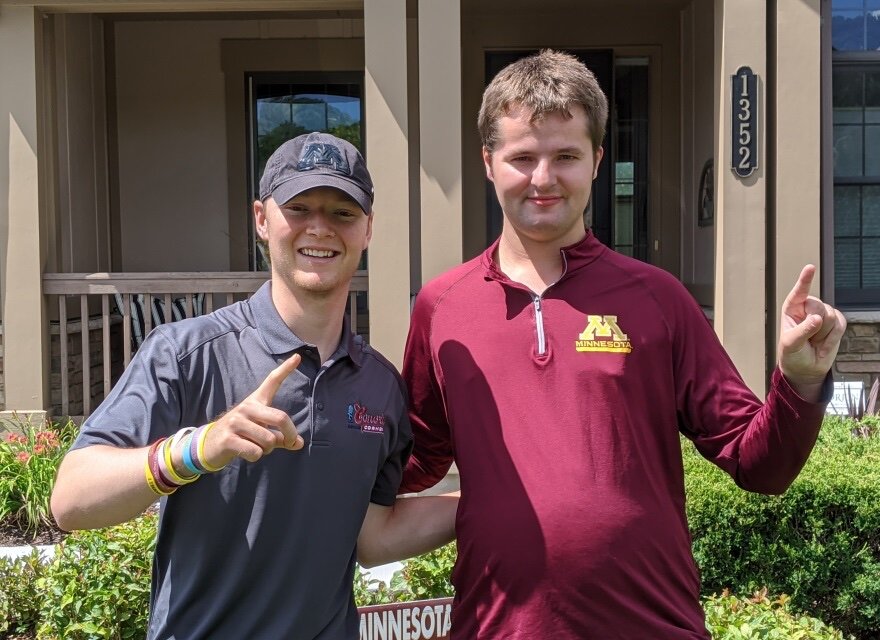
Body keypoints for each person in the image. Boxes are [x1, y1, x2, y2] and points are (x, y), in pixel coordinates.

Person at [398, 50, 847, 639]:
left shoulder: (656, 300)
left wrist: (801, 381)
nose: (543, 178)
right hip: (499, 627)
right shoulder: (442, 307)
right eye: (522, 158)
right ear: (488, 162)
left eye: (566, 157)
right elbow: (415, 458)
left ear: (597, 161)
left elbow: (758, 463)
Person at [51, 132, 457, 640]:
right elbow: (70, 499)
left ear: (368, 229)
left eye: (342, 213)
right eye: (299, 207)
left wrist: (487, 502)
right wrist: (198, 448)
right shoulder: (186, 353)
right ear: (262, 220)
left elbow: (372, 539)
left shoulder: (380, 386)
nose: (320, 228)